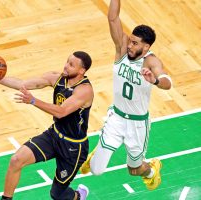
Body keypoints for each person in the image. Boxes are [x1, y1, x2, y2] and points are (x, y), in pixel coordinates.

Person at [80, 0, 172, 191]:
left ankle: (151, 170)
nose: (130, 45)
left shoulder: (151, 62)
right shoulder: (122, 49)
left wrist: (154, 81)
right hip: (117, 118)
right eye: (130, 40)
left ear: (146, 47)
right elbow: (112, 17)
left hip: (137, 124)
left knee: (134, 169)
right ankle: (102, 146)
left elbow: (167, 83)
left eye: (135, 43)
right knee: (96, 170)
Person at [0, 51, 94, 200]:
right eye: (67, 62)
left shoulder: (84, 91)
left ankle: (78, 196)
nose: (66, 66)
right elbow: (21, 84)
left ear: (82, 71)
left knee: (58, 194)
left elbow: (61, 112)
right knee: (16, 160)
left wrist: (33, 101)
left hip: (73, 147)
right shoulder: (56, 78)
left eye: (71, 65)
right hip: (54, 135)